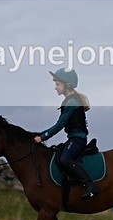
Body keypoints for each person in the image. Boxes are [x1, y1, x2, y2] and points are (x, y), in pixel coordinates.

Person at [34, 68, 101, 199]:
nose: (55, 88)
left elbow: (60, 124)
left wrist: (43, 137)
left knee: (65, 159)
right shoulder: (70, 100)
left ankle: (90, 186)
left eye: (57, 84)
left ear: (67, 85)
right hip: (73, 138)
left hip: (78, 139)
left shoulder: (72, 101)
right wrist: (39, 135)